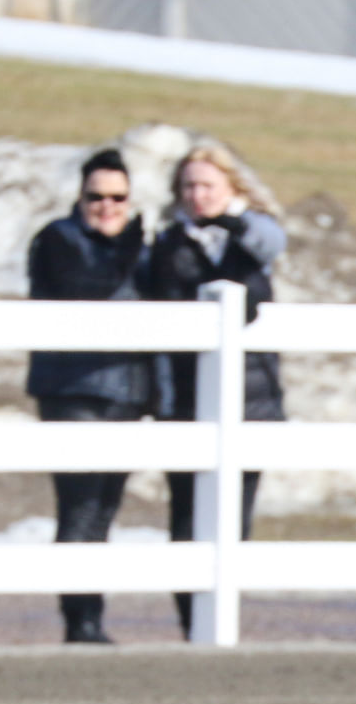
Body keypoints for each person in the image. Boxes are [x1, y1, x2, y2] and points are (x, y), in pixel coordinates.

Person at [146, 143, 287, 638]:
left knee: (235, 520)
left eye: (207, 184)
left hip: (252, 400)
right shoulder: (165, 245)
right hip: (184, 402)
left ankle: (223, 620)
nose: (197, 195)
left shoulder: (251, 235)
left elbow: (271, 240)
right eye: (188, 186)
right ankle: (192, 625)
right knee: (185, 516)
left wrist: (233, 222)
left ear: (230, 188)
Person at [25, 148, 152, 643]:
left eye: (118, 197)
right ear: (80, 197)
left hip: (127, 393)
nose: (107, 206)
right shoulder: (58, 239)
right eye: (96, 196)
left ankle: (89, 618)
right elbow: (84, 291)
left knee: (104, 508)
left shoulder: (142, 247)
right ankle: (81, 622)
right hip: (72, 389)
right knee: (78, 507)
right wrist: (129, 247)